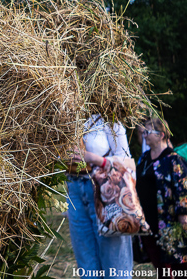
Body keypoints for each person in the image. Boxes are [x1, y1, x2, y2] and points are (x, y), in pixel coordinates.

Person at [65, 114, 133, 274]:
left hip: (104, 189)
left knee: (115, 265)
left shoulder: (108, 117)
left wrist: (94, 159)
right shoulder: (66, 115)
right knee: (87, 266)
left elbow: (128, 163)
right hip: (75, 190)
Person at [135, 118, 187, 278]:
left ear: (161, 135)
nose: (144, 135)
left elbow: (184, 185)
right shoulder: (144, 159)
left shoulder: (173, 159)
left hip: (170, 221)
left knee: (181, 266)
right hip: (149, 220)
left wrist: (183, 213)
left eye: (148, 132)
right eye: (144, 132)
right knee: (160, 265)